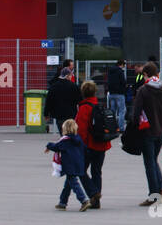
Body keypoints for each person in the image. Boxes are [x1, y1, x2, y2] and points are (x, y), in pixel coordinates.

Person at [130, 62, 162, 206]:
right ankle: (160, 189)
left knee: (149, 163)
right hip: (161, 130)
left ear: (146, 75)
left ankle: (154, 195)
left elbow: (136, 113)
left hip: (147, 130)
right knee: (153, 160)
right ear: (158, 74)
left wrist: (134, 124)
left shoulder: (143, 90)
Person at [73, 81, 112, 209]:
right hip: (102, 144)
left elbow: (81, 129)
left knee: (80, 170)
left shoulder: (84, 108)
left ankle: (93, 193)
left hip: (89, 145)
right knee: (97, 171)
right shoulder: (99, 105)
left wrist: (78, 145)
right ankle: (96, 201)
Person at [46, 119, 91, 211]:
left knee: (74, 184)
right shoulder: (78, 139)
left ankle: (83, 200)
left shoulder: (66, 140)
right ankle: (62, 202)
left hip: (69, 165)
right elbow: (85, 150)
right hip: (78, 164)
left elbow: (56, 147)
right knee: (68, 184)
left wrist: (48, 145)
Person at [43, 69, 81, 136]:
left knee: (62, 133)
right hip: (71, 114)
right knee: (71, 133)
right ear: (68, 76)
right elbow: (80, 100)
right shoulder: (74, 86)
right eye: (70, 75)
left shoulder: (54, 87)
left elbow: (49, 101)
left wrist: (46, 114)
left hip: (59, 114)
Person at [106, 59, 128, 131]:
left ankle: (112, 127)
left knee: (113, 111)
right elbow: (123, 82)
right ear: (121, 64)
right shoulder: (120, 71)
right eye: (123, 65)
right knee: (122, 111)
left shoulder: (110, 71)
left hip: (111, 93)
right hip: (120, 94)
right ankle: (121, 128)